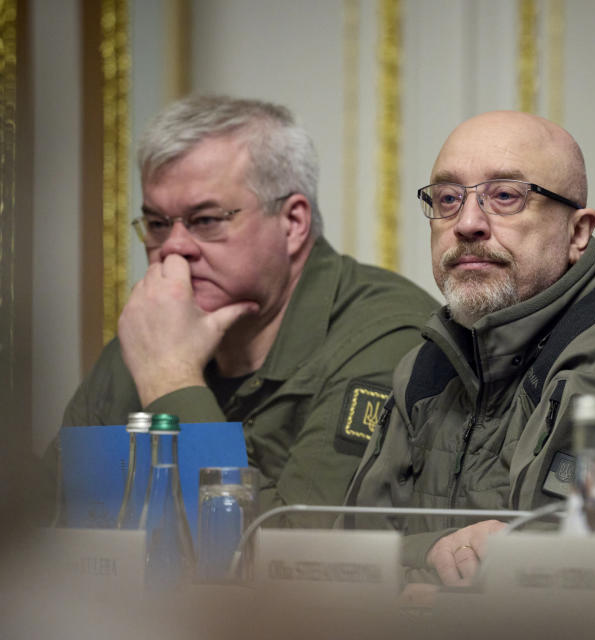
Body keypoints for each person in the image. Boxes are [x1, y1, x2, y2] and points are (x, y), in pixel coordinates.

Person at [345, 110, 595, 585]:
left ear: (578, 232)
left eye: (505, 196)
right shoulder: (428, 360)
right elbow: (353, 556)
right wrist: (437, 562)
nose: (467, 223)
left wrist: (419, 575)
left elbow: (558, 582)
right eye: (447, 198)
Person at [59, 95, 438, 518]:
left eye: (206, 220)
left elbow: (296, 556)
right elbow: (42, 524)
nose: (173, 249)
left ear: (293, 222)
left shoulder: (384, 335)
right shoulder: (153, 331)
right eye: (157, 224)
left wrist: (169, 379)